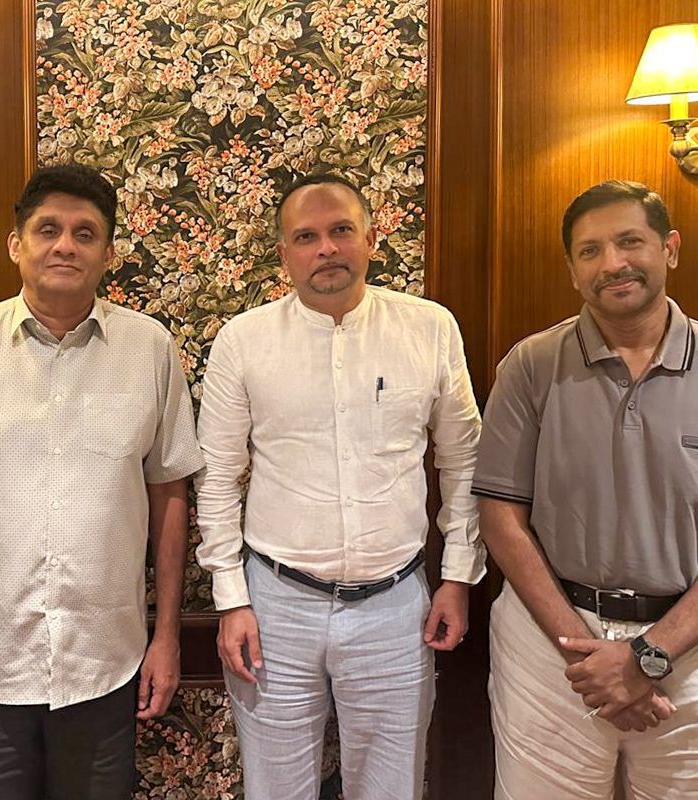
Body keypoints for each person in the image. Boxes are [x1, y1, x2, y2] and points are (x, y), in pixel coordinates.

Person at [0, 163, 203, 800]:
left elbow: (168, 492)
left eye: (86, 233)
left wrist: (166, 637)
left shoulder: (149, 349)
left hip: (106, 663)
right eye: (48, 229)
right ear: (15, 244)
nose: (65, 246)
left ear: (108, 253)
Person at [473, 179, 698, 799]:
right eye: (590, 251)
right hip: (552, 647)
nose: (612, 263)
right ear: (572, 270)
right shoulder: (529, 367)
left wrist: (648, 656)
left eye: (630, 242)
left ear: (669, 248)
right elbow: (501, 521)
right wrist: (586, 660)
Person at [194, 173, 485, 800]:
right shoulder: (243, 341)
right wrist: (230, 599)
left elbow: (464, 462)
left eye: (341, 230)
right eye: (306, 237)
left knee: (390, 789)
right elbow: (216, 476)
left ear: (371, 239)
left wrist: (458, 577)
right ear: (284, 254)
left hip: (397, 608)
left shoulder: (430, 328)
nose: (326, 248)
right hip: (274, 605)